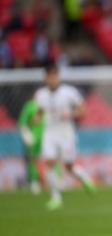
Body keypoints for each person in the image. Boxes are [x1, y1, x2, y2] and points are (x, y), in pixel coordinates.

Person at [35, 64, 96, 210]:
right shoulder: (41, 94)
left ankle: (83, 178)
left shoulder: (69, 92)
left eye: (54, 76)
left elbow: (83, 110)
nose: (52, 79)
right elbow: (40, 111)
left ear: (58, 77)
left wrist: (70, 114)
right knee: (49, 163)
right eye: (50, 77)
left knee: (68, 166)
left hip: (66, 133)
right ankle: (56, 197)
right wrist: (37, 119)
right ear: (46, 78)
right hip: (49, 133)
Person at [18, 99, 45, 195]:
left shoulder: (51, 103)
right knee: (33, 160)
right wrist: (26, 134)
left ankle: (56, 180)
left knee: (53, 158)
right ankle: (34, 182)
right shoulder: (30, 106)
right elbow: (22, 121)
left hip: (48, 137)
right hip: (34, 138)